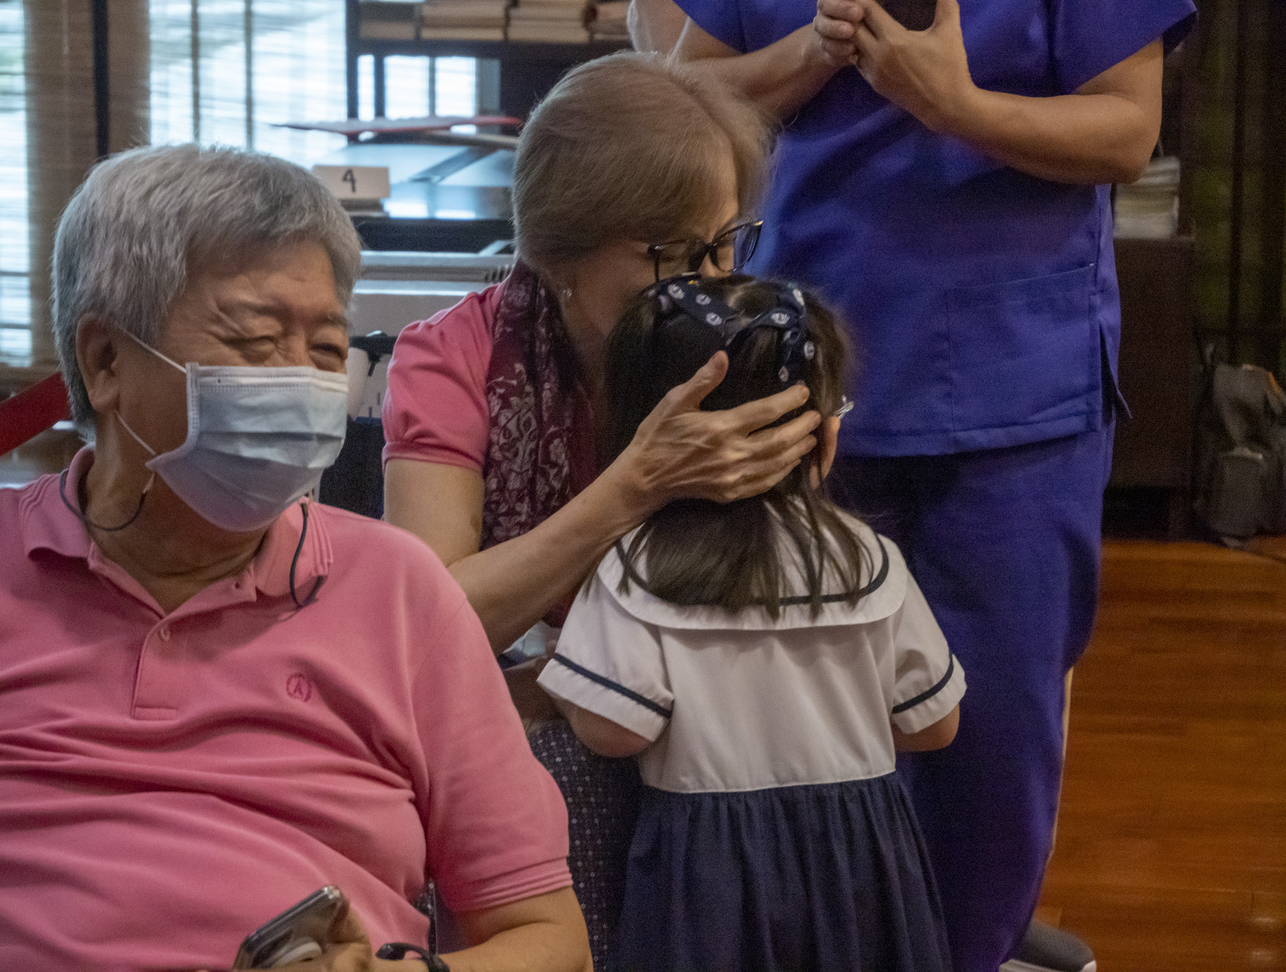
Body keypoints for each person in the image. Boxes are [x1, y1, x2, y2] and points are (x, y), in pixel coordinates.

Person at [625, 1, 1197, 970]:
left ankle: (966, 952)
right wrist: (817, 48)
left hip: (1014, 379)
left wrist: (956, 104)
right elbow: (681, 95)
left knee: (989, 733)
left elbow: (1126, 128)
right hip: (795, 362)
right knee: (772, 723)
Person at [0, 144, 590, 972]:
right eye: (258, 338)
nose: (300, 384)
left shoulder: (401, 593)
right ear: (104, 362)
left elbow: (551, 942)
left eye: (323, 351)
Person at [381, 53, 822, 970]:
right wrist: (637, 485)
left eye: (725, 244)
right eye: (673, 256)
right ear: (558, 256)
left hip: (712, 697)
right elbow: (423, 620)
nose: (710, 283)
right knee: (550, 776)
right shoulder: (455, 357)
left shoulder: (747, 341)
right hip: (538, 704)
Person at [537, 274, 965, 972]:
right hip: (863, 860)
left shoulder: (638, 569)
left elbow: (614, 730)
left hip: (708, 873)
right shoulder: (868, 560)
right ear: (825, 432)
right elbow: (934, 724)